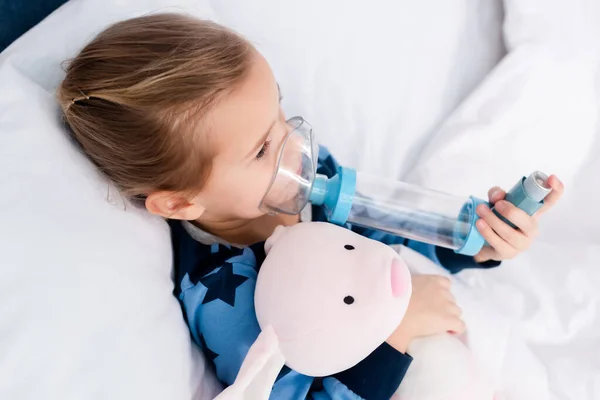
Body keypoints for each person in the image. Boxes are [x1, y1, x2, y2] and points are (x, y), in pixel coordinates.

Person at [57, 13, 563, 400]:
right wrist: (401, 327)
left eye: (280, 112)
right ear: (181, 202)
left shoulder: (313, 178)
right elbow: (292, 392)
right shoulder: (222, 293)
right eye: (260, 150)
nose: (294, 147)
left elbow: (400, 234)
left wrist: (479, 244)